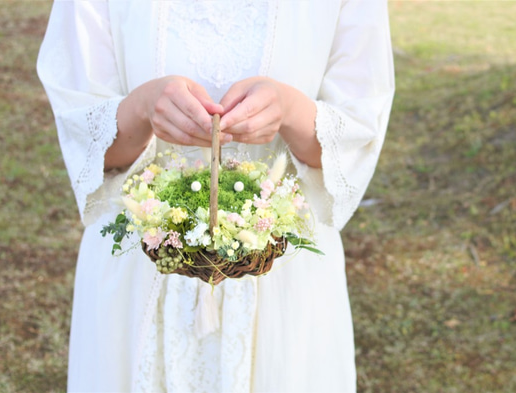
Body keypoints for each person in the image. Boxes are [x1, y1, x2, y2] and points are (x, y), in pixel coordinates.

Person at [37, 1, 395, 392]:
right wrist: (141, 109)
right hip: (138, 268)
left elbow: (354, 144)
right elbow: (87, 148)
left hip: (283, 276)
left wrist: (291, 111)